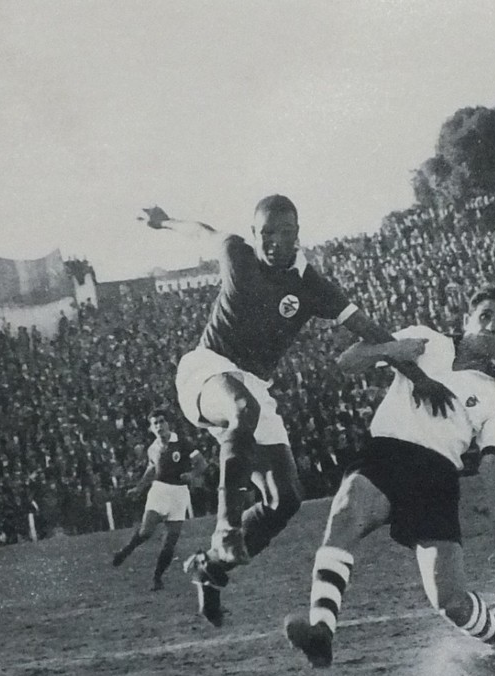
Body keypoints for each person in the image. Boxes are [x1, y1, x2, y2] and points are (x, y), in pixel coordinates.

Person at [139, 196, 456, 626]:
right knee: (241, 408)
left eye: (284, 232)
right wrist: (163, 222)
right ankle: (226, 529)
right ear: (254, 234)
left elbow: (371, 332)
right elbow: (202, 231)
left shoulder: (313, 287)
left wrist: (418, 378)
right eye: (266, 233)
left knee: (285, 499)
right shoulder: (238, 255)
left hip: (254, 387)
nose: (274, 241)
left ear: (297, 234)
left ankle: (211, 566)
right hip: (206, 369)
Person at [284, 287, 495, 668]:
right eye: (485, 315)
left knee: (450, 601)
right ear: (467, 318)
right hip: (386, 455)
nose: (491, 326)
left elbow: (494, 454)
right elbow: (349, 361)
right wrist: (390, 351)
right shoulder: (427, 340)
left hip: (437, 478)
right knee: (345, 515)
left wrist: (492, 500)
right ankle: (322, 630)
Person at [110, 409, 208, 591]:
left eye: (161, 421)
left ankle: (157, 577)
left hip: (179, 494)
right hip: (159, 491)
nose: (159, 426)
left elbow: (202, 463)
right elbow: (151, 469)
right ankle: (125, 551)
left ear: (168, 423)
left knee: (170, 542)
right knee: (146, 531)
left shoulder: (183, 443)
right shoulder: (153, 448)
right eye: (155, 423)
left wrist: (192, 474)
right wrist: (139, 488)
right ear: (151, 428)